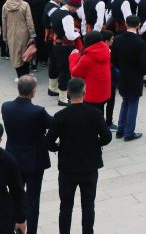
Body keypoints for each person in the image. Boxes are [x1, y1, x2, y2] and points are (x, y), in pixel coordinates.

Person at [46, 77, 112, 234]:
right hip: (89, 167)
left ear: (68, 93)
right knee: (88, 205)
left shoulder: (60, 116)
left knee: (66, 206)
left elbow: (48, 142)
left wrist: (58, 147)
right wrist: (96, 144)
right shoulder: (95, 114)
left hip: (67, 169)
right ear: (84, 92)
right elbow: (107, 137)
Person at [1, 76, 52, 234]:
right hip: (34, 160)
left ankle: (13, 227)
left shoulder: (6, 107)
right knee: (32, 199)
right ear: (34, 90)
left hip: (13, 158)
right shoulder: (38, 112)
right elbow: (53, 124)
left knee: (15, 195)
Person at [111, 15, 146, 141]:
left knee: (125, 101)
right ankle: (129, 132)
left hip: (122, 75)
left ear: (126, 24)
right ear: (138, 25)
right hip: (135, 77)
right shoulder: (140, 43)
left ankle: (120, 129)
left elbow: (113, 59)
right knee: (133, 103)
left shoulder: (117, 39)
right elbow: (143, 65)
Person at [70, 32, 112, 119]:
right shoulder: (106, 50)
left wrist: (73, 57)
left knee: (89, 120)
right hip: (104, 92)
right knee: (100, 115)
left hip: (91, 95)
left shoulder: (87, 57)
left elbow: (75, 72)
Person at [3, 0, 36, 79]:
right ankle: (26, 75)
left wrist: (4, 36)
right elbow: (29, 21)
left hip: (11, 32)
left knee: (15, 54)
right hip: (24, 32)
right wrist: (33, 34)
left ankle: (19, 76)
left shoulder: (5, 5)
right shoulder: (25, 5)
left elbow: (3, 21)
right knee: (25, 54)